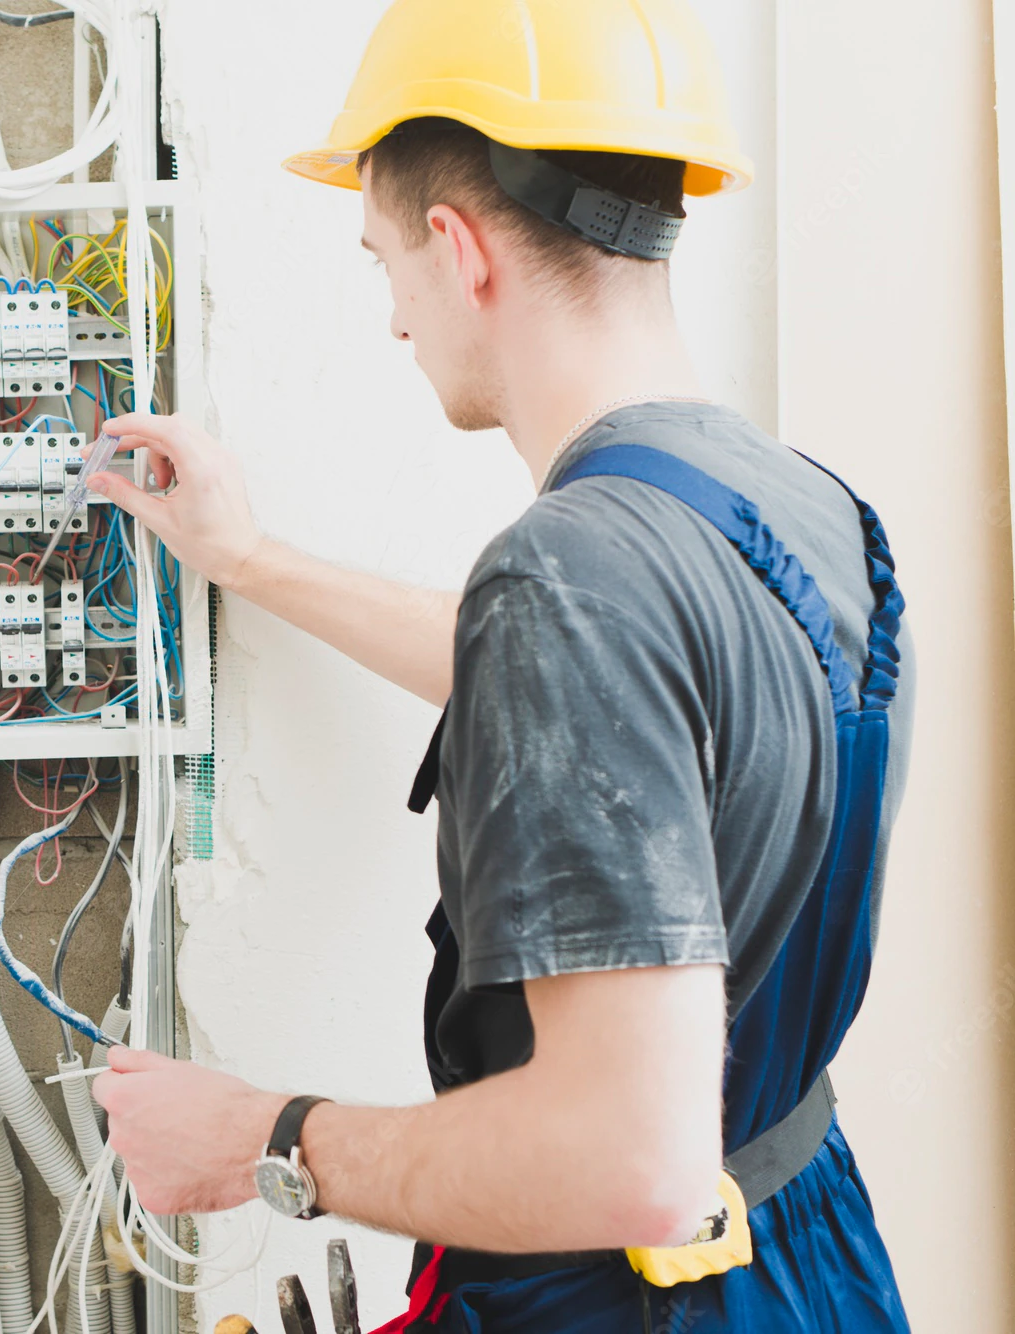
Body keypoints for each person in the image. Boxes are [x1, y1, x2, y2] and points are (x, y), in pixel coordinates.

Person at [87, 2, 914, 1329]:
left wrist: (259, 1136)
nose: (396, 323)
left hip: (629, 1300)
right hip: (802, 1261)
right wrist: (250, 559)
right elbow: (597, 715)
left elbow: (630, 1162)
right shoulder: (799, 513)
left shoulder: (570, 577)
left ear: (458, 250)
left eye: (384, 265)